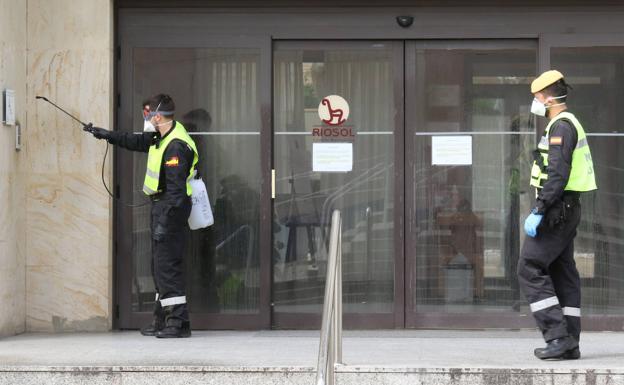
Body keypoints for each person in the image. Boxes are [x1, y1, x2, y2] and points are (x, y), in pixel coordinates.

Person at [86, 94, 199, 338]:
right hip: (161, 208)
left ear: (157, 116)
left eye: (147, 115)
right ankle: (163, 319)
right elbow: (136, 141)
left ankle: (178, 324)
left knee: (167, 268)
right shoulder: (162, 136)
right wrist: (106, 134)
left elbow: (177, 195)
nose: (145, 119)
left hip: (171, 211)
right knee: (159, 267)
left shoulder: (176, 145)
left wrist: (165, 223)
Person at [517, 70, 597, 359]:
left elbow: (557, 175)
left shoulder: (561, 127)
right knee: (563, 272)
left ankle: (556, 336)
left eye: (537, 97)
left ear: (548, 97)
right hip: (566, 209)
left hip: (556, 210)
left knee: (528, 267)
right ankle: (570, 343)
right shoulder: (566, 123)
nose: (535, 102)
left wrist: (539, 209)